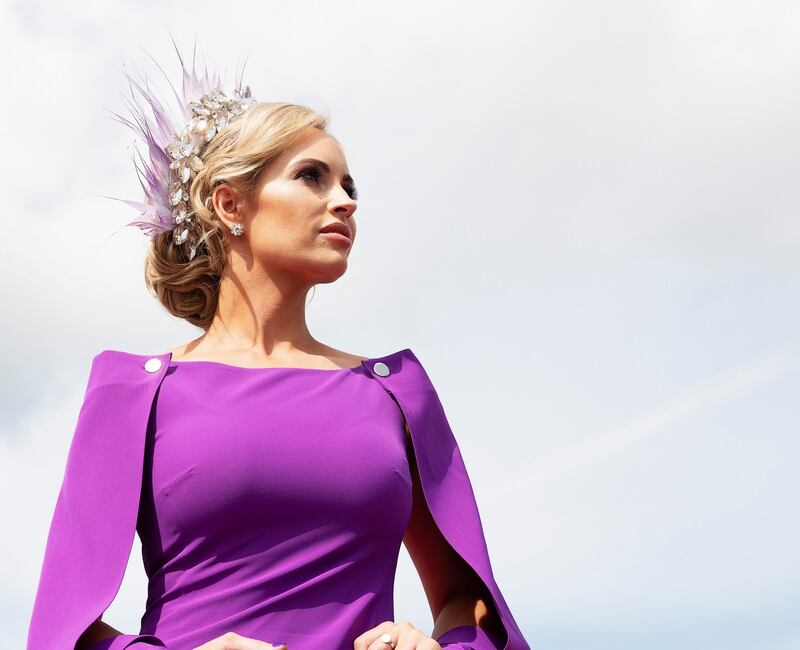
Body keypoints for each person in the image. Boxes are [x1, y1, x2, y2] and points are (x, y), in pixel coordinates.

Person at [26, 41, 530, 650]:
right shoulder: (134, 393)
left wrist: (437, 646)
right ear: (230, 203)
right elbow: (62, 631)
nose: (344, 200)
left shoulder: (396, 392)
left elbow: (468, 600)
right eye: (312, 177)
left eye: (350, 185)